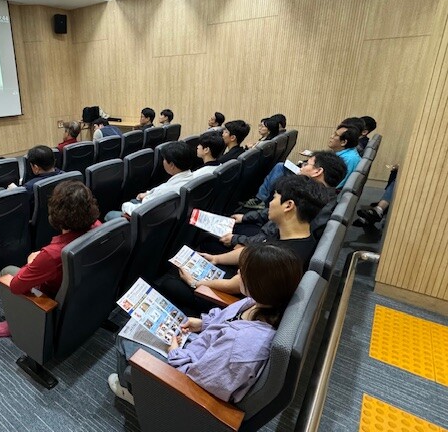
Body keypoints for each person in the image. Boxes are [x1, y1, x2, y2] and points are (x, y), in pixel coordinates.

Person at [108, 243, 303, 405]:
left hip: (186, 371)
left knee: (125, 337)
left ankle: (130, 391)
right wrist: (202, 323)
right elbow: (227, 319)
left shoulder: (239, 347)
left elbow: (199, 381)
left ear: (259, 285)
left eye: (244, 271)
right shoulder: (258, 302)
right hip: (199, 347)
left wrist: (174, 353)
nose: (238, 272)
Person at [156, 175, 327, 315]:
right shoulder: (294, 234)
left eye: (274, 197)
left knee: (168, 282)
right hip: (246, 284)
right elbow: (249, 251)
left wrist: (195, 283)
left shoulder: (283, 256)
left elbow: (235, 285)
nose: (270, 203)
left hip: (241, 303)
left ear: (288, 206)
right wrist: (216, 259)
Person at [0, 181, 101, 337]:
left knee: (7, 272)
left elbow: (16, 287)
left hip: (51, 300)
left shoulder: (51, 255)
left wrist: (32, 262)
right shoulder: (98, 226)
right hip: (83, 293)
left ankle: (17, 320)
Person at [225, 151, 346, 248]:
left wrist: (238, 240)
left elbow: (273, 236)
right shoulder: (324, 196)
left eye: (306, 164)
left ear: (317, 171)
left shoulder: (311, 200)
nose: (301, 167)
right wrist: (245, 217)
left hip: (265, 248)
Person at [243, 123, 361, 209]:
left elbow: (335, 183)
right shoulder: (346, 154)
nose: (331, 136)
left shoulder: (348, 159)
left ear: (344, 142)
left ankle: (261, 200)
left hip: (318, 187)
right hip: (318, 183)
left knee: (280, 168)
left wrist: (304, 174)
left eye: (335, 135)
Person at [104, 142, 194, 220]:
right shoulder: (191, 178)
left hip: (148, 219)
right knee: (134, 200)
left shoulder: (168, 191)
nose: (163, 161)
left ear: (172, 165)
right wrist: (148, 194)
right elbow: (164, 188)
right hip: (164, 216)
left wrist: (125, 205)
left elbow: (140, 211)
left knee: (110, 214)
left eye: (164, 159)